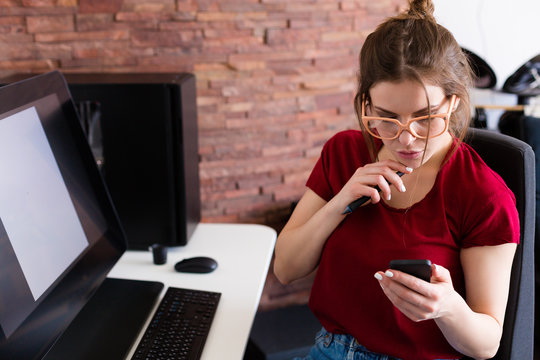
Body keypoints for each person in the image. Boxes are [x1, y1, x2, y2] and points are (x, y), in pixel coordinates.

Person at [273, 1, 520, 359]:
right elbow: (285, 269)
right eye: (386, 118)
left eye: (425, 117)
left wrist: (448, 308)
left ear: (452, 102)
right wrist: (340, 203)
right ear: (367, 105)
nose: (406, 138)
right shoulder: (343, 153)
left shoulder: (483, 194)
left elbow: (486, 344)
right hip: (330, 349)